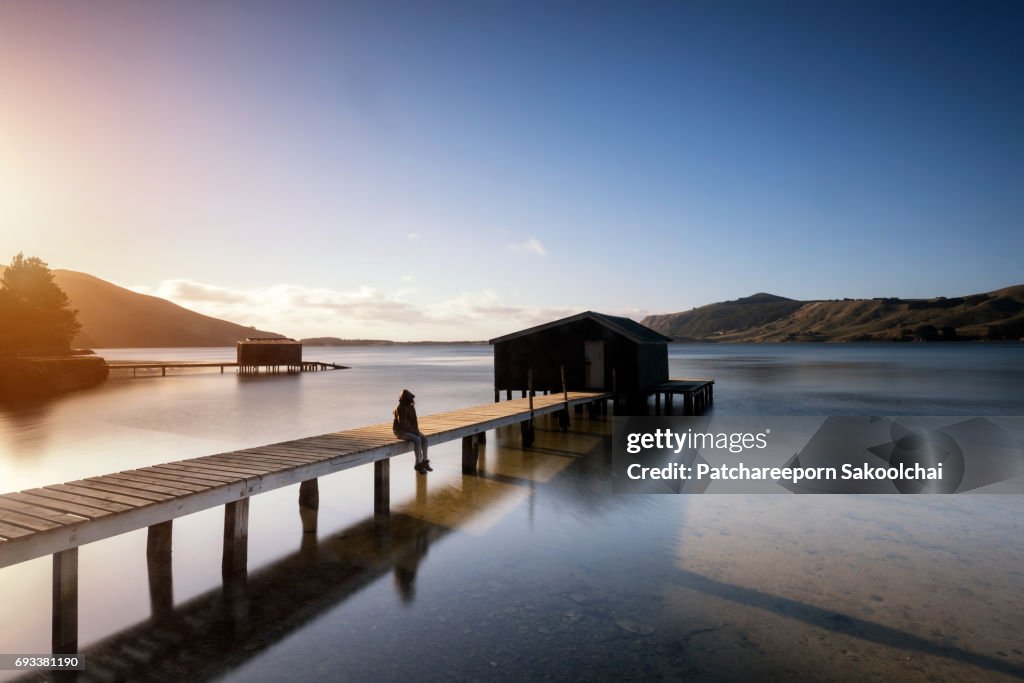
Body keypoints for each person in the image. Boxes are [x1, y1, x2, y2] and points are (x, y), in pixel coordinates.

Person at [393, 389, 431, 474]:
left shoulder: (411, 407)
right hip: (401, 432)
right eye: (409, 399)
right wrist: (414, 432)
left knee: (424, 439)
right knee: (417, 440)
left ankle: (425, 461)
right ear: (404, 399)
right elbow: (403, 424)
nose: (411, 401)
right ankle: (418, 464)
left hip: (412, 430)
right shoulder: (399, 409)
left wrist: (416, 430)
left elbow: (415, 421)